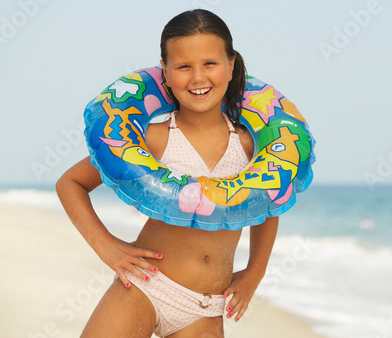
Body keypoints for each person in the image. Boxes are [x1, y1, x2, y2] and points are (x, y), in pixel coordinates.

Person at [56, 9, 279, 337]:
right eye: (184, 66)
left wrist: (255, 271)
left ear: (231, 66)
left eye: (210, 64)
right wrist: (107, 247)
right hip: (145, 287)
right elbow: (70, 183)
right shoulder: (156, 138)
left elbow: (269, 203)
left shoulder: (249, 146)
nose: (198, 77)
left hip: (204, 309)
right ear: (166, 72)